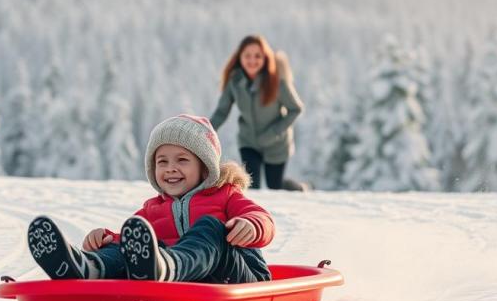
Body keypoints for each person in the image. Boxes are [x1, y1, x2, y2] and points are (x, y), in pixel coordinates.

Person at [26, 114, 274, 283]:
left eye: (182, 160)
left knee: (210, 227)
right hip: (185, 283)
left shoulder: (226, 194)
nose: (170, 168)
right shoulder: (152, 209)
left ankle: (166, 266)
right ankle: (88, 268)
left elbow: (264, 219)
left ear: (205, 168)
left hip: (238, 278)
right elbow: (131, 243)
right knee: (131, 244)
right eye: (162, 161)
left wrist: (251, 225)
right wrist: (106, 240)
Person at [209, 35, 306, 191]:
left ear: (265, 58)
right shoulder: (235, 82)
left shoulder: (276, 82)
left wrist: (274, 132)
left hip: (276, 143)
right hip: (249, 142)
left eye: (257, 56)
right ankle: (252, 215)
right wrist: (206, 130)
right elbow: (222, 111)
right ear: (239, 57)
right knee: (252, 186)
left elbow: (296, 108)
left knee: (275, 185)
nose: (252, 60)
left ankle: (300, 188)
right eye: (247, 55)